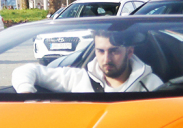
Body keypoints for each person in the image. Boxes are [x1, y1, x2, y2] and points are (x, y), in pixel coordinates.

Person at [12, 29, 163, 93]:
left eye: (114, 51)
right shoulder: (79, 78)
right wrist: (26, 93)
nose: (106, 59)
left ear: (129, 52)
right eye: (100, 51)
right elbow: (25, 71)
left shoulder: (152, 85)